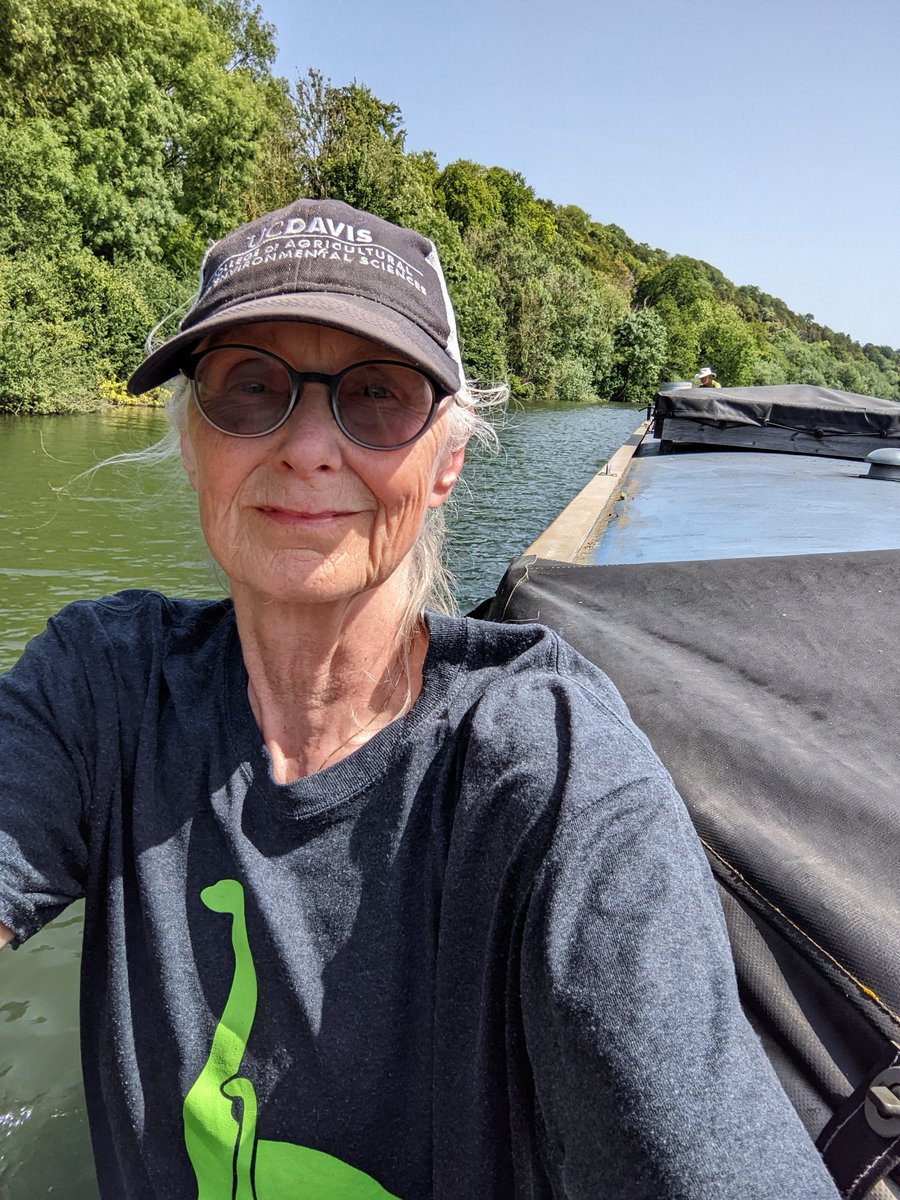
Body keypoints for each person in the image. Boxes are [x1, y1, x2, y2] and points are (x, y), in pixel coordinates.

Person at [0, 198, 840, 1200]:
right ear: (193, 440)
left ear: (445, 463)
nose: (309, 446)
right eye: (249, 387)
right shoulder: (101, 687)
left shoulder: (553, 780)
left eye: (380, 397)